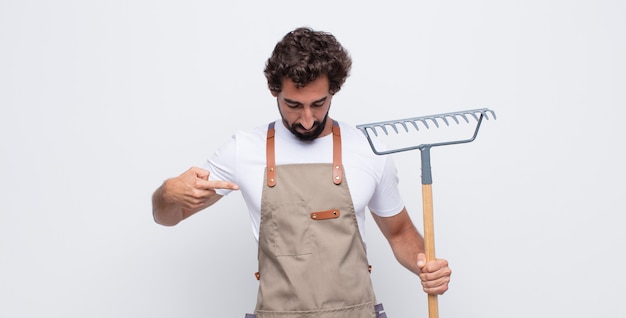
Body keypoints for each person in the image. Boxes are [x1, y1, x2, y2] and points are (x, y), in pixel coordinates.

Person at [152, 27, 451, 318]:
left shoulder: (367, 149)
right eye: (293, 105)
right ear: (274, 91)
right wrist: (167, 194)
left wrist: (424, 264)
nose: (307, 120)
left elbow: (400, 232)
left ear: (333, 89)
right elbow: (168, 216)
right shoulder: (243, 150)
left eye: (318, 104)